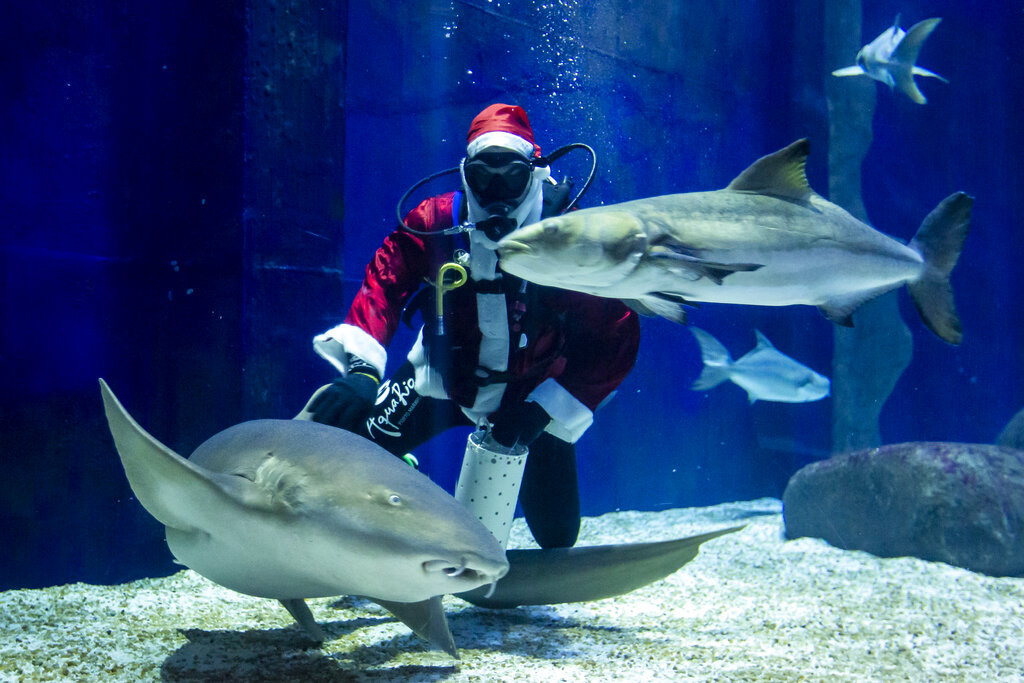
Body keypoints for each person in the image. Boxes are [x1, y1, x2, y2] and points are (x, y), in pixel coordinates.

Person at [306, 103, 639, 549]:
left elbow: (616, 337)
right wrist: (363, 371)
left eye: (512, 177)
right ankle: (399, 478)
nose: (498, 192)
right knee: (351, 457)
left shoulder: (569, 237)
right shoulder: (434, 224)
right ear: (466, 174)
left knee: (558, 536)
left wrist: (542, 412)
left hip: (529, 404)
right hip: (440, 382)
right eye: (484, 176)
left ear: (534, 174)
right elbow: (383, 283)